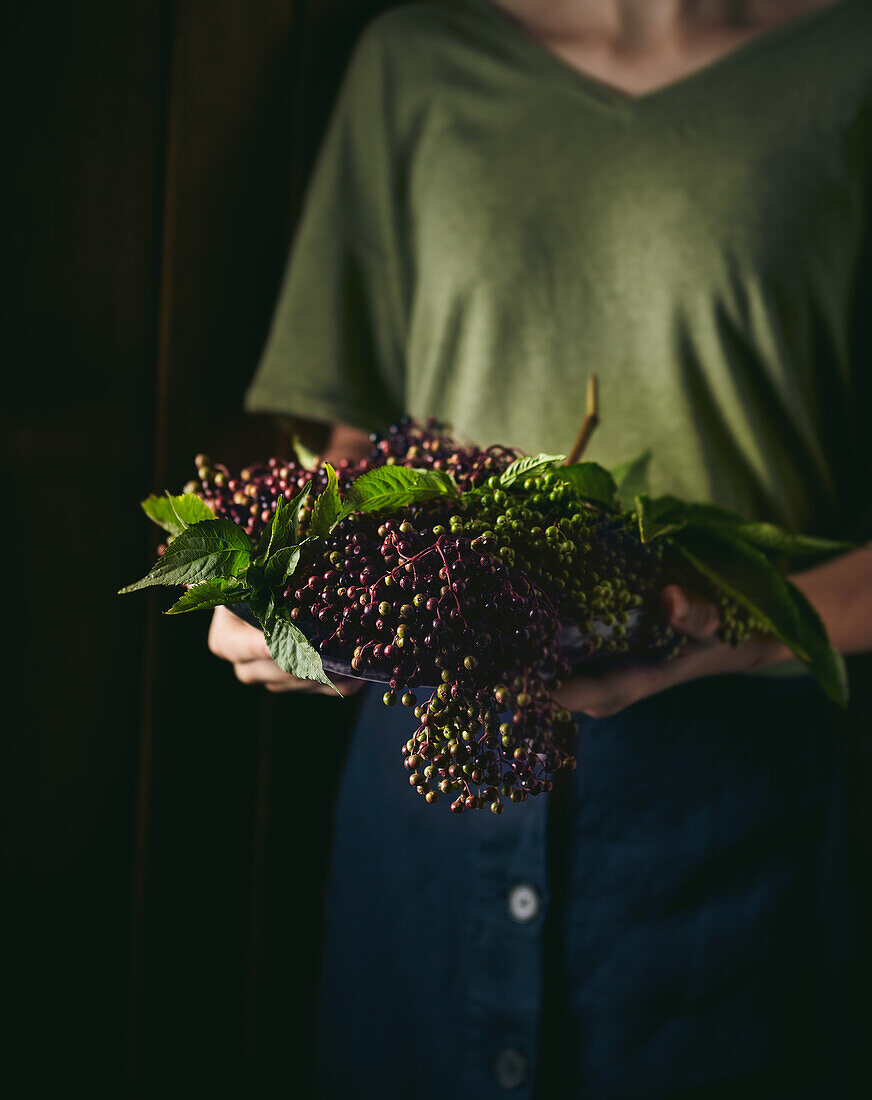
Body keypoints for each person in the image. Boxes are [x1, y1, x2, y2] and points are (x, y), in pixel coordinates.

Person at [207, 1, 872, 1095]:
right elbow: (357, 455)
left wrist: (710, 624)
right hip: (426, 797)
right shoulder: (415, 63)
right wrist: (281, 584)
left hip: (730, 818)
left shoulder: (844, 65)